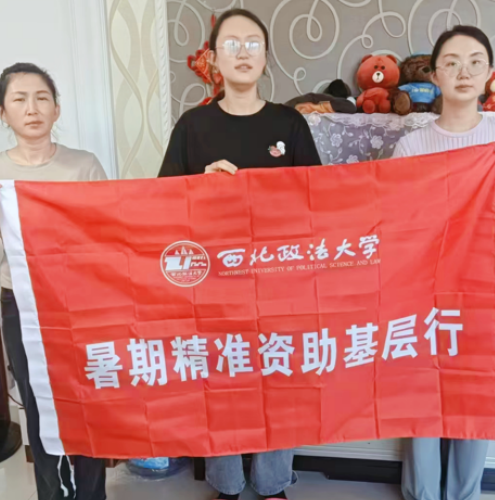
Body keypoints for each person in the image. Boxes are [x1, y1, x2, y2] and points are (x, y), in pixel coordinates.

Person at [159, 9, 321, 500]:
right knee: (221, 378)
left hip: (279, 279)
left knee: (279, 377)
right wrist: (200, 189)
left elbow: (319, 201)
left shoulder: (289, 123)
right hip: (213, 281)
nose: (243, 52)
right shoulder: (193, 126)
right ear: (213, 58)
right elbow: (161, 204)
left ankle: (273, 482)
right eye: (232, 43)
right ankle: (226, 483)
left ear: (266, 56)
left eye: (253, 43)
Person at [392, 26, 495, 500]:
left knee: (475, 395)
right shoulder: (412, 146)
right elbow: (399, 226)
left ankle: (464, 494)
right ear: (434, 75)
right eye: (451, 62)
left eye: (475, 62)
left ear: (489, 73)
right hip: (425, 289)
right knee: (424, 392)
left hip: (487, 287)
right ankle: (423, 493)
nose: (463, 71)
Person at [0, 63, 108, 500]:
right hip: (21, 301)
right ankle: (53, 493)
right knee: (38, 401)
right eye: (19, 99)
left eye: (42, 98)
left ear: (56, 109)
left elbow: (106, 233)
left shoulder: (83, 165)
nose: (32, 108)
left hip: (79, 300)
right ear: (2, 112)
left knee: (87, 398)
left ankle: (92, 493)